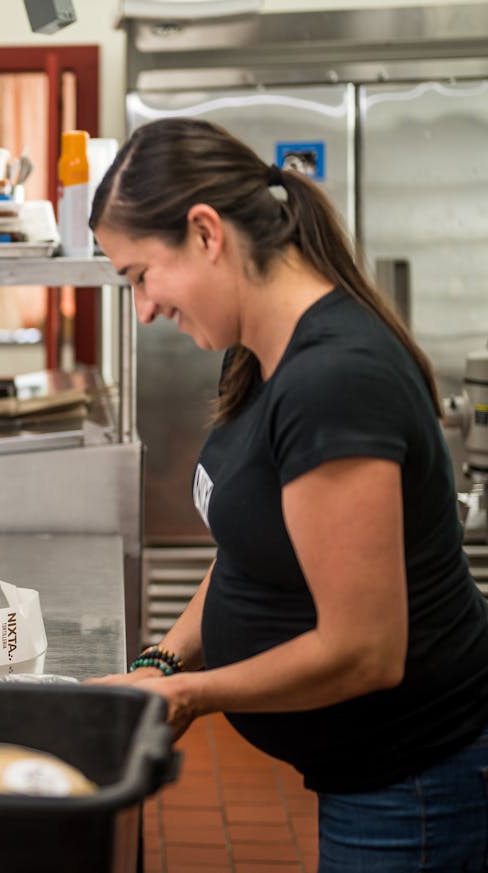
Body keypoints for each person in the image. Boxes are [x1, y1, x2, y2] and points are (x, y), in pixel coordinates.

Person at [86, 117, 488, 871]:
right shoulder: (262, 355)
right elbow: (248, 551)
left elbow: (365, 651)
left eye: (140, 275)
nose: (143, 308)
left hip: (419, 783)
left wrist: (196, 695)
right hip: (372, 775)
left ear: (206, 233)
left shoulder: (333, 380)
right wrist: (164, 663)